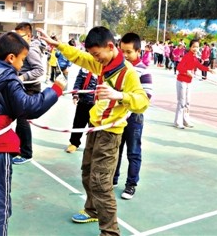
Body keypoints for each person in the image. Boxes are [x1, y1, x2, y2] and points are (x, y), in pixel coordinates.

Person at [38, 26, 149, 236]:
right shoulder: (102, 63)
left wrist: (119, 96)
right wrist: (58, 45)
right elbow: (80, 57)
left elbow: (142, 102)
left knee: (101, 183)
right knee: (87, 173)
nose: (94, 59)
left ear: (109, 47)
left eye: (97, 54)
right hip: (94, 128)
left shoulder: (128, 72)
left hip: (111, 132)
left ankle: (110, 232)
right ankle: (92, 210)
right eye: (93, 55)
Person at [0, 32, 66, 235]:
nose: (22, 64)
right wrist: (55, 90)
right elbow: (28, 107)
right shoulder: (9, 78)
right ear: (11, 58)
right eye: (22, 59)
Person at [113, 32, 152, 200]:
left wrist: (128, 106)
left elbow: (147, 95)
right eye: (122, 51)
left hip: (134, 117)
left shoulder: (143, 70)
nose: (125, 55)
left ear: (138, 51)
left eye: (129, 52)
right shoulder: (119, 68)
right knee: (116, 148)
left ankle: (131, 184)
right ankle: (112, 178)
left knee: (134, 151)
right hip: (118, 116)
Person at [11, 22, 45, 165]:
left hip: (30, 88)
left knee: (23, 120)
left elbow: (39, 70)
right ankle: (17, 148)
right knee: (18, 119)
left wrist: (22, 77)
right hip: (22, 86)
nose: (17, 40)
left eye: (21, 36)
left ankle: (26, 152)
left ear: (29, 35)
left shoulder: (31, 50)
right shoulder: (22, 47)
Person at [174, 39, 214, 128]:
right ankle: (178, 122)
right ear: (190, 47)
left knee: (187, 102)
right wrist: (186, 72)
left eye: (197, 47)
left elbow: (199, 66)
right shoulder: (186, 56)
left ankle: (186, 120)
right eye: (193, 47)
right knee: (181, 102)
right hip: (181, 81)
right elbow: (179, 67)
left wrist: (209, 69)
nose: (195, 48)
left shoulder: (195, 57)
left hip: (189, 82)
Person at [65, 67, 97, 153]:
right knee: (78, 123)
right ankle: (74, 143)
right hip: (84, 101)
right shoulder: (85, 68)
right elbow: (78, 82)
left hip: (98, 104)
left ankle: (93, 146)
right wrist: (75, 95)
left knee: (95, 127)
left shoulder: (106, 69)